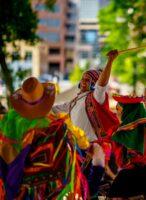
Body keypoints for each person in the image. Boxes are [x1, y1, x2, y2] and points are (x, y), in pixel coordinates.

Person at [0, 77, 89, 199]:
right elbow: (83, 144)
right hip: (51, 187)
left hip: (18, 187)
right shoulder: (58, 122)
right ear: (45, 100)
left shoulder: (9, 124)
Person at [52, 50, 119, 198]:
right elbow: (54, 109)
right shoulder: (74, 101)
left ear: (94, 84)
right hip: (75, 149)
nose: (83, 82)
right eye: (82, 79)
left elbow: (102, 85)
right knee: (75, 187)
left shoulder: (96, 98)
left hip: (91, 149)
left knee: (88, 187)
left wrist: (110, 61)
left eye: (87, 80)